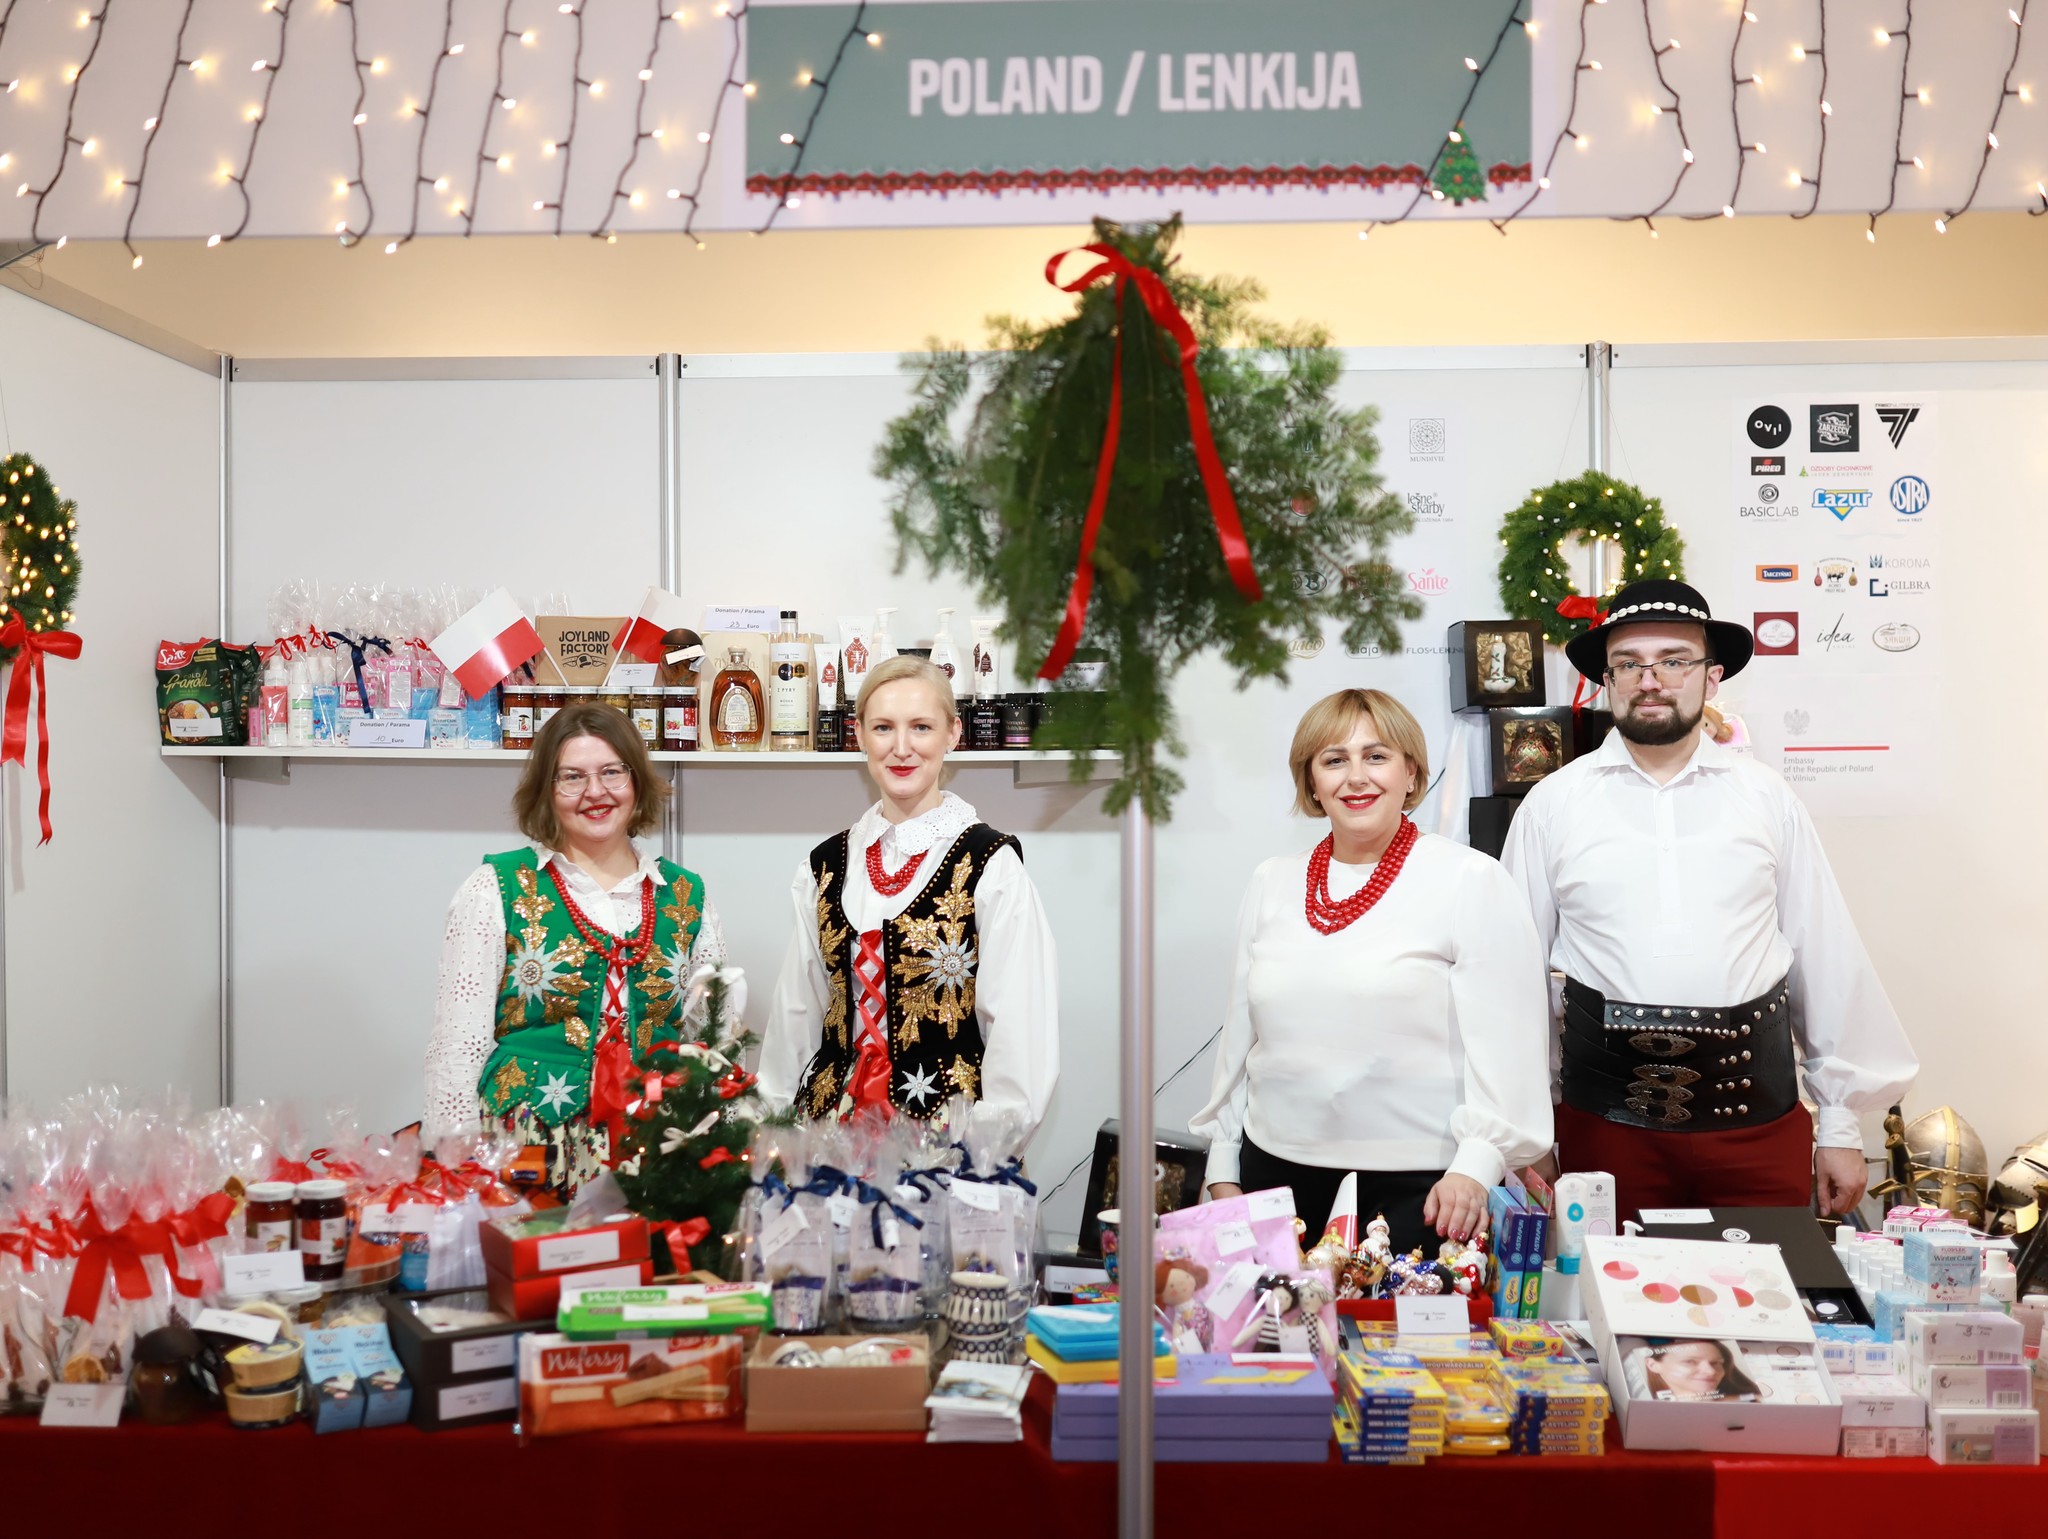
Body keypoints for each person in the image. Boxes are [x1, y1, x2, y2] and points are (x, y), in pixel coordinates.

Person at [1500, 579, 1917, 1220]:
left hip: (1757, 1129)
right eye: (1629, 664)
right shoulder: (1551, 806)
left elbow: (1825, 959)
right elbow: (1514, 980)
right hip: (1603, 1130)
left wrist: (1838, 1125)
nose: (1650, 681)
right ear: (1607, 681)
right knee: (1606, 1288)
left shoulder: (1767, 798)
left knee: (1771, 1286)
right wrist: (1529, 1133)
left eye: (1673, 661)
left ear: (1712, 677)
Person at [1192, 689, 1553, 1256]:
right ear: (1312, 783)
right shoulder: (1271, 880)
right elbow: (1241, 1039)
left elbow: (1512, 1046)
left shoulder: (1470, 879)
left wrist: (1476, 1165)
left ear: (1410, 773)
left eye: (1376, 756)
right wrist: (1222, 1166)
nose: (1356, 777)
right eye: (1334, 760)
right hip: (1272, 1179)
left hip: (1426, 1191)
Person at [423, 701, 725, 1197]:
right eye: (572, 777)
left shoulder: (687, 895)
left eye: (612, 772)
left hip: (655, 1141)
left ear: (636, 780)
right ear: (547, 789)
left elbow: (711, 1043)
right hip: (527, 1146)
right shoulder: (495, 887)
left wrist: (718, 1148)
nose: (595, 792)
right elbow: (459, 1045)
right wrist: (456, 1168)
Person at [759, 655, 1058, 1132]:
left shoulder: (991, 865)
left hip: (949, 1137)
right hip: (829, 1134)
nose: (902, 748)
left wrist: (987, 1153)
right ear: (859, 734)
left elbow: (1020, 1028)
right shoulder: (824, 867)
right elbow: (795, 1014)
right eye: (883, 728)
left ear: (952, 734)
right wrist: (772, 1133)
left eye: (921, 727)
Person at [1633, 1339, 1760, 1402]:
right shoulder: (1643, 1404)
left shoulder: (1752, 1401)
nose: (1711, 1371)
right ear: (1653, 1365)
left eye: (1715, 1363)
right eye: (1690, 1361)